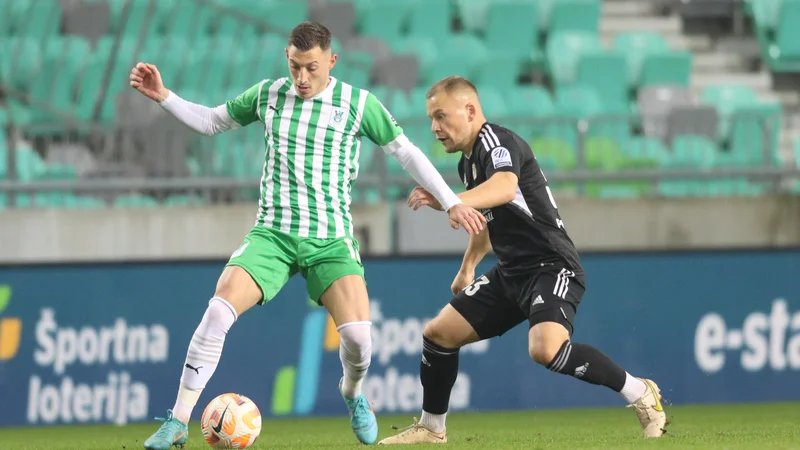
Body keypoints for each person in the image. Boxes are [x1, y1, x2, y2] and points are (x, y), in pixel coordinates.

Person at [129, 22, 486, 450]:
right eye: (294, 66)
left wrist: (452, 201)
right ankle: (177, 422)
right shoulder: (268, 94)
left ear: (331, 61)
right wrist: (164, 97)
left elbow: (405, 151)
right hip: (273, 235)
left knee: (358, 339)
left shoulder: (357, 103)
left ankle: (352, 394)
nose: (301, 78)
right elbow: (211, 122)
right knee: (217, 312)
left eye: (311, 68)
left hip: (331, 239)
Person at [377, 76, 668, 445]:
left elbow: (503, 188)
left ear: (469, 110)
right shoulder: (468, 165)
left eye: (440, 116)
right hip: (511, 273)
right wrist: (467, 267)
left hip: (552, 265)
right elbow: (486, 220)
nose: (434, 127)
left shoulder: (495, 141)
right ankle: (432, 427)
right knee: (438, 334)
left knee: (545, 349)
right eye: (430, 119)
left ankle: (640, 392)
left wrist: (451, 199)